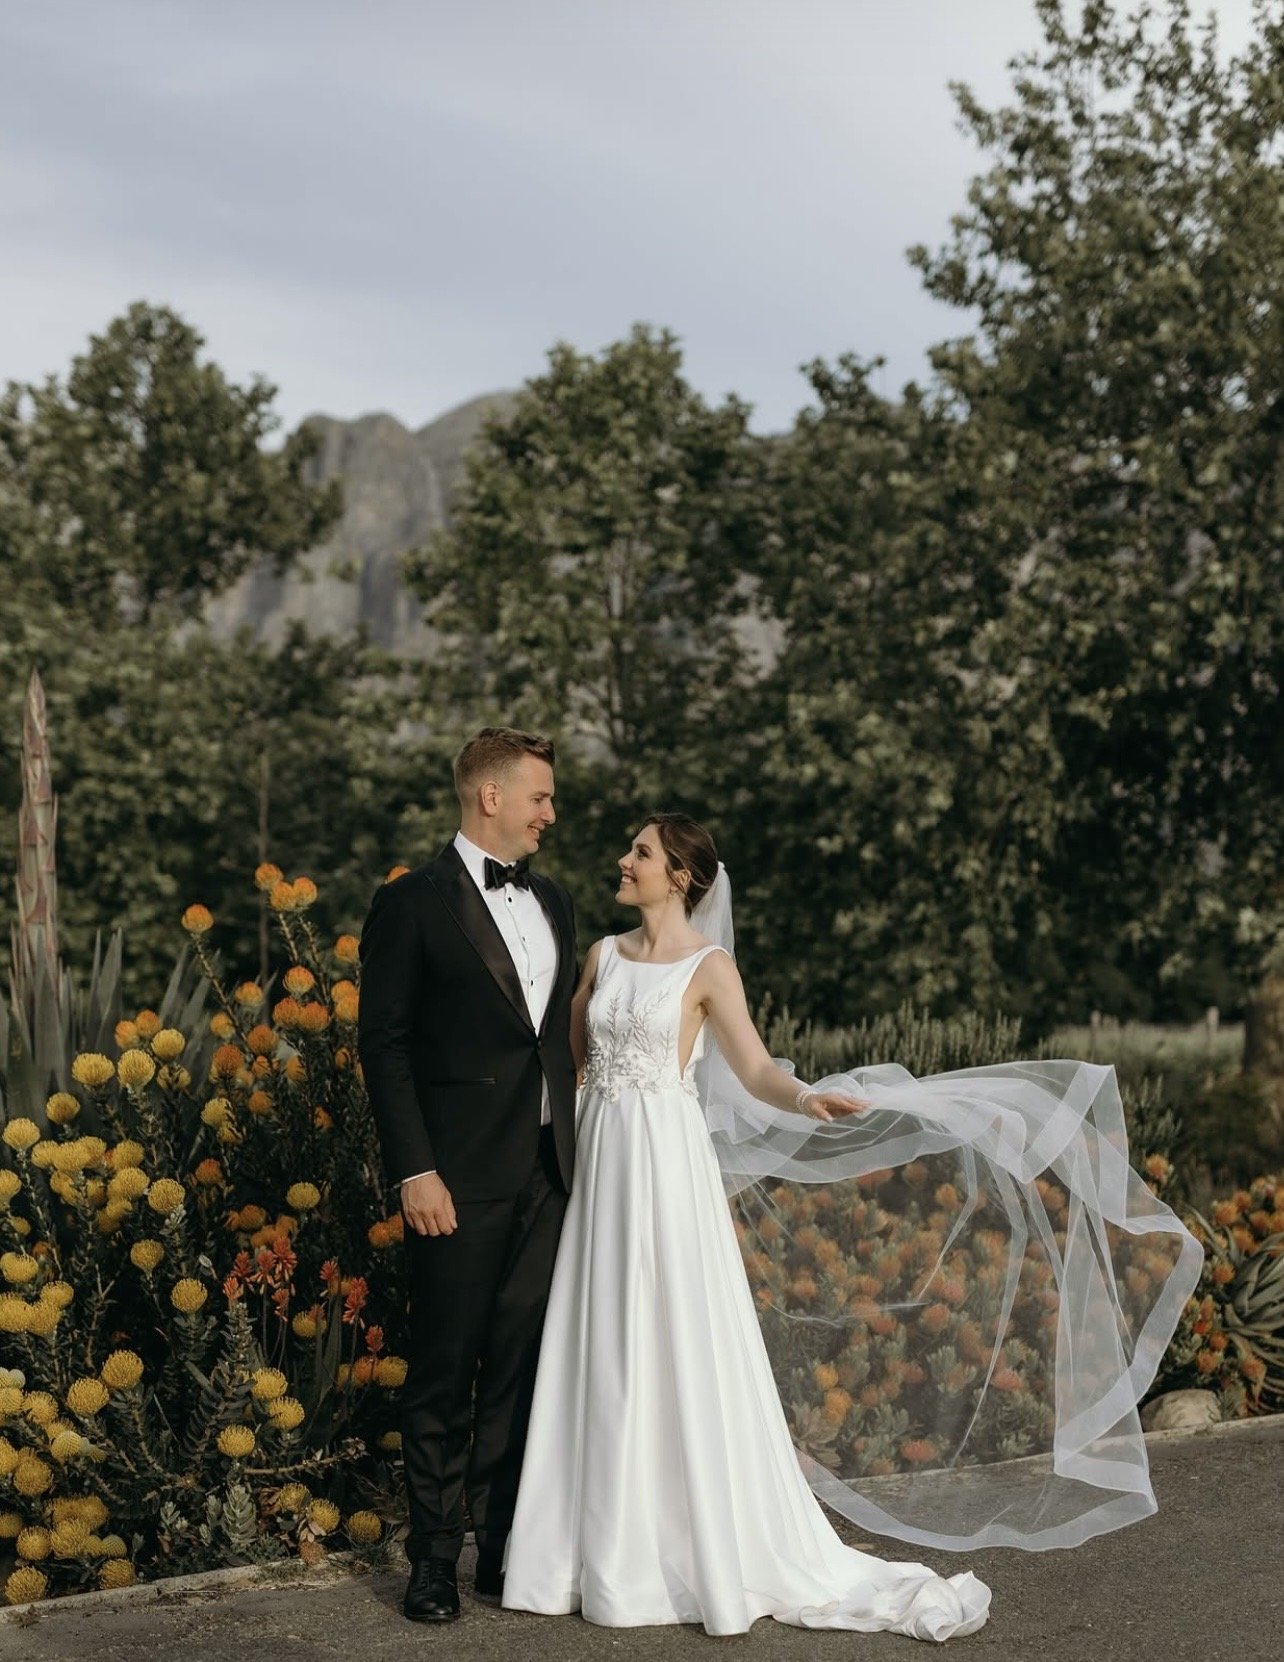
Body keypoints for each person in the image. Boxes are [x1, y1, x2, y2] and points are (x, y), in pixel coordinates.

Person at [502, 813, 1201, 1639]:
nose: (624, 861)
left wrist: (804, 1098)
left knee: (673, 1335)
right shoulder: (603, 956)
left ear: (681, 876)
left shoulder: (709, 967)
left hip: (664, 1169)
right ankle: (581, 1553)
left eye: (641, 853)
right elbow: (574, 1061)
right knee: (602, 1336)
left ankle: (681, 1548)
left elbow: (754, 1067)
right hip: (606, 1164)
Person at [357, 728, 578, 1623]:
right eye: (540, 798)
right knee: (445, 1372)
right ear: (490, 796)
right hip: (452, 1177)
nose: (550, 815)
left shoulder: (556, 901)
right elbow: (384, 1043)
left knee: (522, 1371)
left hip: (548, 1174)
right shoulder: (411, 904)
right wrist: (415, 1169)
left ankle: (500, 1554)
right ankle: (433, 1562)